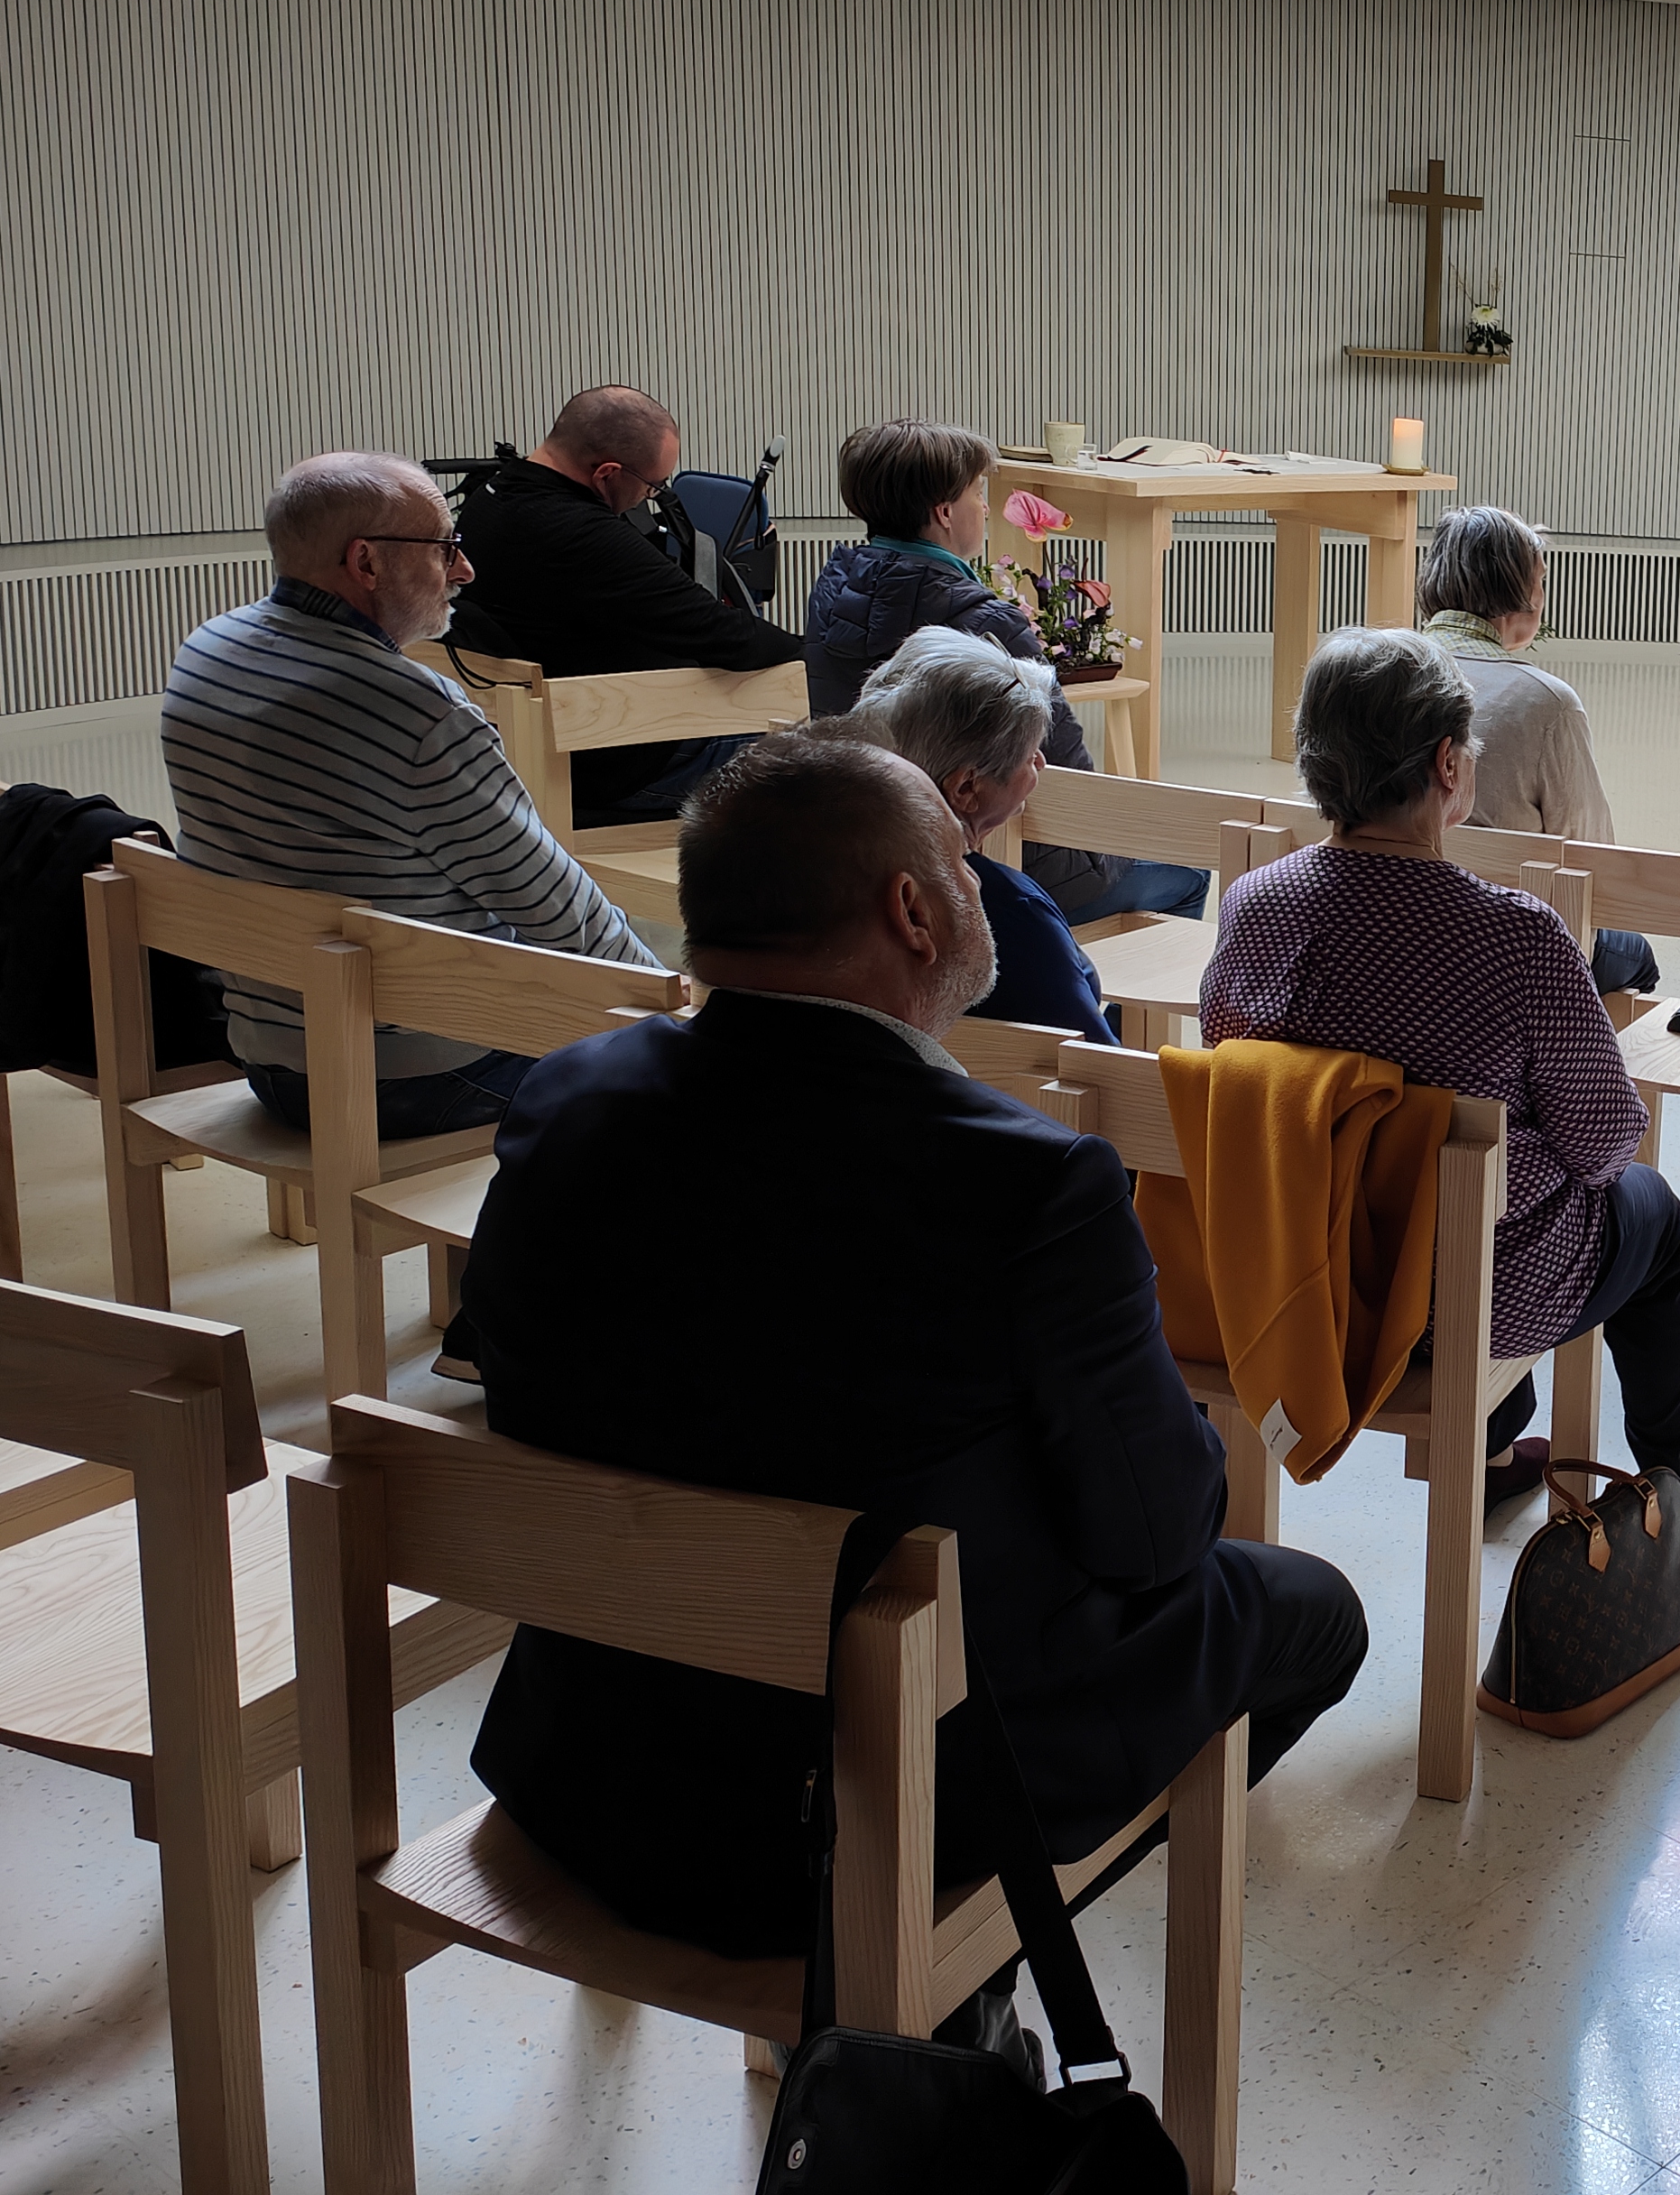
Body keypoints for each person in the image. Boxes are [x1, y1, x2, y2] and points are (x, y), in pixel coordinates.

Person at [463, 732, 1369, 1982]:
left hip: (596, 1767)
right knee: (1310, 1611)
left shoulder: (565, 1102)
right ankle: (967, 1975)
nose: (976, 875)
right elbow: (1156, 1538)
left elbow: (517, 1387)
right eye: (959, 854)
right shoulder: (1030, 1181)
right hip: (872, 1814)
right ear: (911, 911)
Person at [1200, 631, 1680, 1542]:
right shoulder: (1516, 938)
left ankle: (1494, 1453)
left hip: (1309, 1270)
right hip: (1465, 1302)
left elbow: (1238, 1060)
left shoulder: (1255, 902)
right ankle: (1670, 1492)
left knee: (1483, 1201)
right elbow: (1605, 1140)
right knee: (1649, 1221)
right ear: (1450, 765)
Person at [157, 451, 655, 1138]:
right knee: (665, 1077)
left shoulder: (207, 649)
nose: (464, 570)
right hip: (417, 1076)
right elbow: (559, 912)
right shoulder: (415, 712)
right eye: (445, 547)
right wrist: (677, 1007)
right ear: (366, 563)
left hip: (270, 1058)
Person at [804, 417, 1206, 928]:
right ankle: (1074, 1004)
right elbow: (1063, 774)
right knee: (1188, 870)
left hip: (867, 851)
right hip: (987, 865)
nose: (987, 507)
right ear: (944, 513)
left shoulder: (832, 590)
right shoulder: (985, 622)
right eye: (977, 491)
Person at [453, 386, 803, 824]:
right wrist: (821, 656)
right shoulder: (580, 533)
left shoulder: (488, 496)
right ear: (608, 474)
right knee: (818, 753)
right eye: (654, 485)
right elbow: (721, 632)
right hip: (615, 762)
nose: (651, 497)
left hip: (534, 747)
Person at [1415, 503, 1657, 996]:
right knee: (1635, 953)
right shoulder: (1544, 701)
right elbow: (1591, 853)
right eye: (1540, 582)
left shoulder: (1359, 670)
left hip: (1384, 925)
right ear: (1520, 593)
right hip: (1507, 951)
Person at [836, 627, 1115, 1038]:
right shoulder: (1009, 912)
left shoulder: (812, 866)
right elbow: (1097, 1067)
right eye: (1028, 754)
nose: (1039, 762)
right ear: (967, 788)